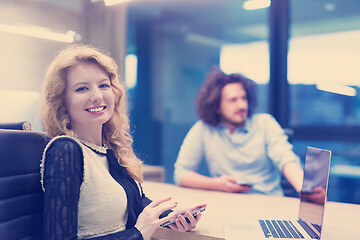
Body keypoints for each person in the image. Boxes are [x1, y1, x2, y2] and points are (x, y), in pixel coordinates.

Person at [40, 44, 205, 240]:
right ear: (62, 101)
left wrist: (170, 217)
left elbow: (133, 200)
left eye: (103, 85)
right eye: (82, 88)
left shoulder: (108, 147)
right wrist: (138, 233)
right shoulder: (66, 150)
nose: (97, 96)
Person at [174, 69, 304, 196]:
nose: (242, 105)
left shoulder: (265, 123)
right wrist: (216, 184)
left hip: (267, 201)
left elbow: (286, 159)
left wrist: (304, 190)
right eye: (233, 100)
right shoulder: (203, 128)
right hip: (228, 204)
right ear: (216, 107)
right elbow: (181, 174)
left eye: (244, 98)